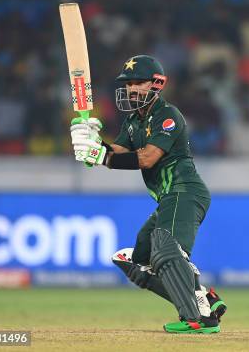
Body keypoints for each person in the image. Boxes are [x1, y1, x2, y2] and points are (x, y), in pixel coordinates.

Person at [70, 55, 227, 334]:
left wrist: (101, 155)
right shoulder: (133, 121)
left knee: (164, 246)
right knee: (134, 259)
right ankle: (205, 299)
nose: (131, 89)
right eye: (128, 84)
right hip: (168, 199)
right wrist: (93, 144)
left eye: (137, 83)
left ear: (156, 84)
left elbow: (146, 158)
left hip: (185, 191)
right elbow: (117, 153)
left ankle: (196, 319)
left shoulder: (168, 116)